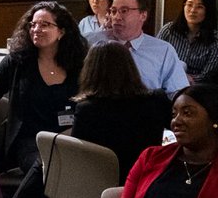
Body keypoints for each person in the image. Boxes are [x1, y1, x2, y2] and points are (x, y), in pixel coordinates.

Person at [0, 1, 86, 198]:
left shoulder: (78, 64)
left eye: (45, 25)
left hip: (70, 138)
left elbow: (89, 101)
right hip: (28, 141)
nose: (36, 29)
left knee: (54, 164)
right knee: (48, 163)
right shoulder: (19, 60)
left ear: (61, 31)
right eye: (33, 24)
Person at [112, 84, 218, 198]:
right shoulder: (151, 157)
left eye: (187, 113)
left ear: (215, 119)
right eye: (174, 114)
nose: (176, 121)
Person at [70, 42, 170, 184]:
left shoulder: (87, 109)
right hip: (147, 179)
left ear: (90, 70)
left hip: (101, 182)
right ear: (130, 66)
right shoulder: (156, 99)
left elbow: (79, 153)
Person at [87, 0, 187, 97]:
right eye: (113, 11)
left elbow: (177, 93)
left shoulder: (163, 51)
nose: (116, 17)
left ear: (143, 15)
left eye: (124, 11)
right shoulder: (91, 42)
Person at [157, 0, 218, 81]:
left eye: (200, 7)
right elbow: (155, 58)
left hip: (195, 86)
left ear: (208, 11)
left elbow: (207, 75)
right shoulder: (169, 30)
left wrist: (185, 79)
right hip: (165, 79)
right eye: (189, 5)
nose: (192, 10)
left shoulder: (215, 40)